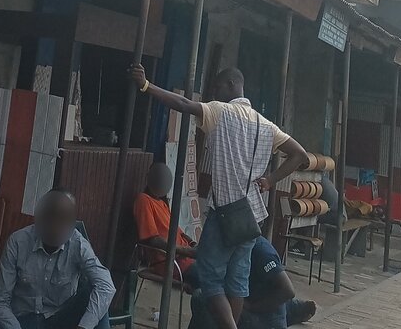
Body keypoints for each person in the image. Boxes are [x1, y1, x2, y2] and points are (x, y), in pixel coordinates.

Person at [128, 64, 308, 329]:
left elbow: (182, 103)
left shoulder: (221, 112)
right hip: (251, 218)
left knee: (211, 279)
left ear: (233, 84)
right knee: (237, 281)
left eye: (218, 87)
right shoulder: (266, 125)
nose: (215, 92)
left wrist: (146, 86)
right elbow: (300, 156)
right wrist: (270, 180)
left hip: (225, 213)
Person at [0, 189, 115, 329]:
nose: (56, 225)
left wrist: (84, 327)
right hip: (23, 321)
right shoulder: (17, 242)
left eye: (63, 219)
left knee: (96, 300)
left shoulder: (78, 244)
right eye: (51, 216)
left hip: (61, 318)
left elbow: (106, 286)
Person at [188, 237, 315, 329]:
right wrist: (174, 247)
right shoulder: (230, 240)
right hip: (253, 300)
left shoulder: (260, 249)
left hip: (263, 316)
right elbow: (203, 253)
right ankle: (294, 309)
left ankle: (289, 311)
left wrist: (251, 306)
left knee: (203, 297)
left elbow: (288, 291)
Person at [132, 164, 196, 281]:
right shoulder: (144, 200)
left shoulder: (163, 204)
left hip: (188, 258)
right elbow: (152, 239)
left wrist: (193, 244)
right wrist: (183, 251)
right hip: (172, 262)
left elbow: (179, 232)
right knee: (213, 280)